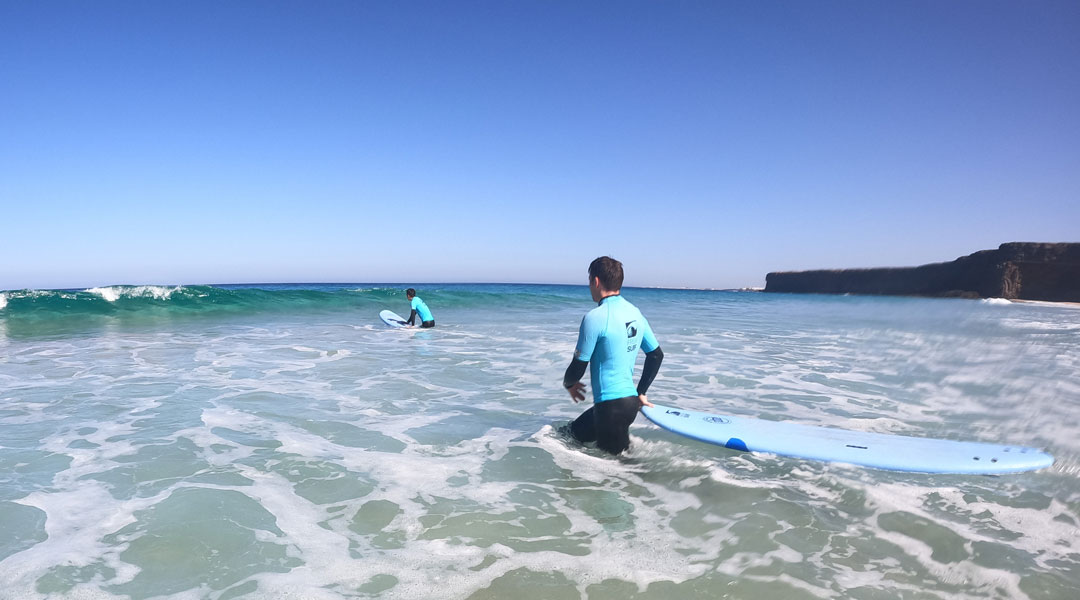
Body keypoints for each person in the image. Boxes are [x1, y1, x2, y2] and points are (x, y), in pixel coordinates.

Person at [563, 256, 663, 455]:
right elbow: (656, 355)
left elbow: (578, 366)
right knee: (567, 436)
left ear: (596, 281)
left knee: (618, 472)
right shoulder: (635, 313)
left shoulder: (595, 318)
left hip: (610, 409)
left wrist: (569, 384)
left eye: (589, 280)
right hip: (628, 404)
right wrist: (641, 392)